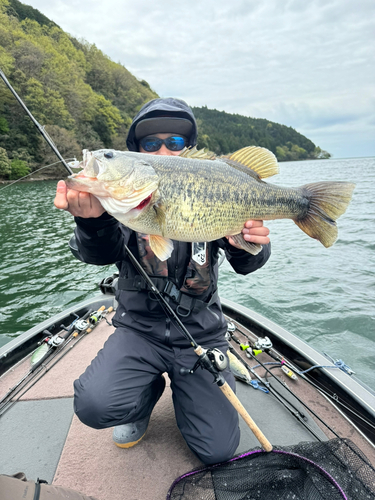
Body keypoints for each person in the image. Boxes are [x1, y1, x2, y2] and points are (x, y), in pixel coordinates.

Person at [54, 97, 271, 465]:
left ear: (189, 149)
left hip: (201, 334)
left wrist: (248, 244)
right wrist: (92, 222)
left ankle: (188, 395)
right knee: (94, 405)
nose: (165, 150)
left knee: (217, 451)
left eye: (176, 142)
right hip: (138, 331)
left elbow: (250, 264)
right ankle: (145, 392)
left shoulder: (211, 187)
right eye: (152, 144)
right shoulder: (118, 203)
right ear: (137, 153)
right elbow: (96, 253)